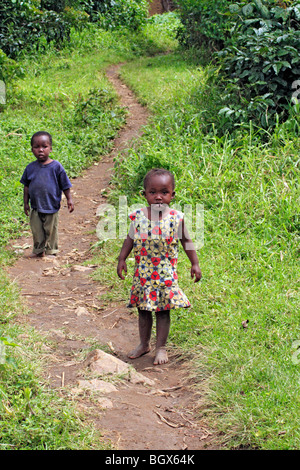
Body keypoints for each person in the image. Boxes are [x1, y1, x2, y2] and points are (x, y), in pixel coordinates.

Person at [117, 168, 202, 365]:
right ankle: (144, 344)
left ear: (173, 195)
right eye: (152, 192)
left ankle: (161, 347)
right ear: (144, 194)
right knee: (143, 310)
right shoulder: (137, 216)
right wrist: (122, 259)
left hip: (165, 275)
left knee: (163, 311)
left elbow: (187, 242)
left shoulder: (176, 218)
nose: (158, 197)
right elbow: (129, 240)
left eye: (164, 192)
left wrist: (195, 263)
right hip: (143, 274)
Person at [20, 131, 74, 258]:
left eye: (44, 147)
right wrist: (25, 203)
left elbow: (65, 185)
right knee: (37, 230)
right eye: (36, 147)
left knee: (51, 231)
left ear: (50, 148)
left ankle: (51, 251)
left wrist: (69, 199)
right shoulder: (30, 168)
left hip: (51, 205)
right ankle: (38, 250)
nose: (40, 150)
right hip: (35, 207)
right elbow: (26, 186)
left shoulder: (56, 167)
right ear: (32, 149)